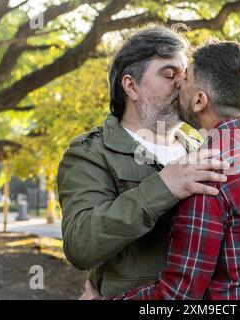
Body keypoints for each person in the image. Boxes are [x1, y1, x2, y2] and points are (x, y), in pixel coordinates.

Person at [85, 40, 240, 300]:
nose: (178, 84)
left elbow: (177, 295)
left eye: (185, 78)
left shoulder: (205, 175)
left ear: (199, 101)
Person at [57, 26, 229, 297]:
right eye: (169, 74)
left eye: (184, 76)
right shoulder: (91, 153)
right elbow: (81, 245)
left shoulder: (204, 149)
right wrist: (164, 187)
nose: (181, 84)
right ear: (131, 86)